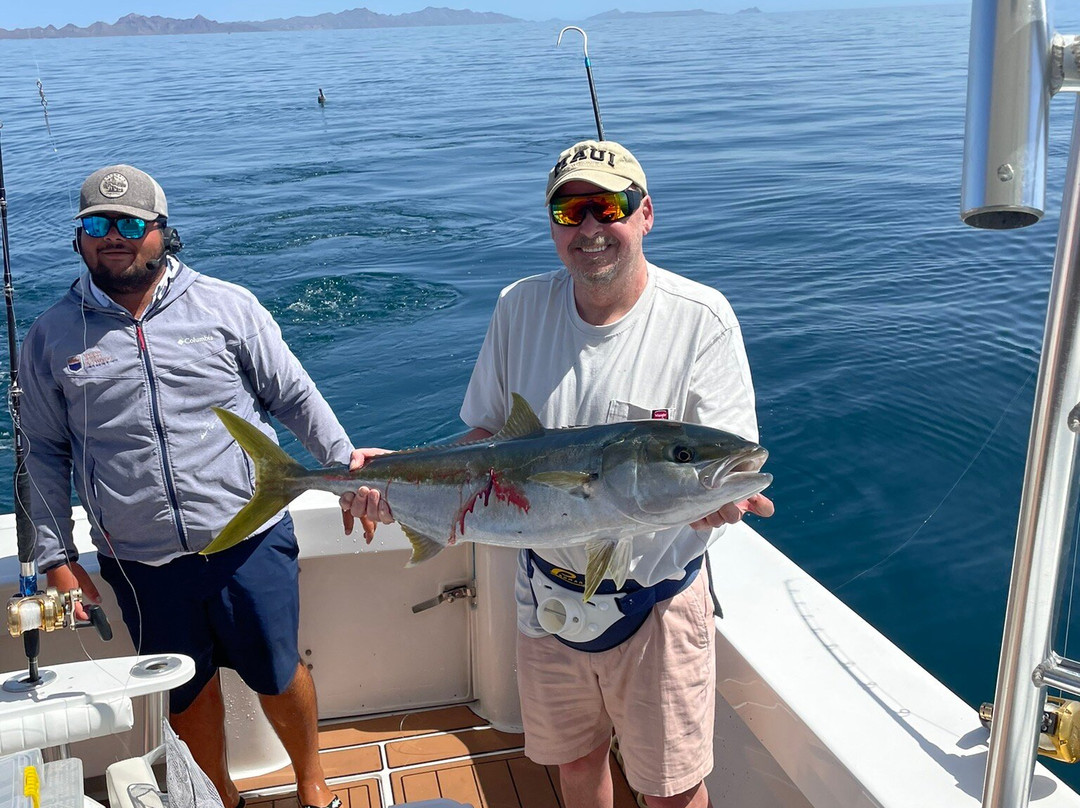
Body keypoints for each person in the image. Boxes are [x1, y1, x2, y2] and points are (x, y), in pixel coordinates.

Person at [389, 139, 770, 808]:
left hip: (656, 607)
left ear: (645, 213)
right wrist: (389, 477)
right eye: (570, 212)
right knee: (575, 765)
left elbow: (727, 457)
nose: (590, 229)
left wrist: (714, 499)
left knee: (673, 792)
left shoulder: (700, 320)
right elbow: (485, 439)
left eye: (608, 207)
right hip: (546, 594)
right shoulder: (520, 307)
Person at [20, 164, 380, 808]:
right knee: (182, 689)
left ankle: (311, 780)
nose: (113, 237)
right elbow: (44, 452)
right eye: (96, 225)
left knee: (277, 671)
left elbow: (293, 396)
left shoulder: (228, 305)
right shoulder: (50, 335)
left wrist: (345, 469)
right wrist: (57, 560)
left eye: (130, 223)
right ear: (78, 239)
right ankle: (221, 796)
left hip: (249, 537)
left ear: (163, 233)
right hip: (139, 560)